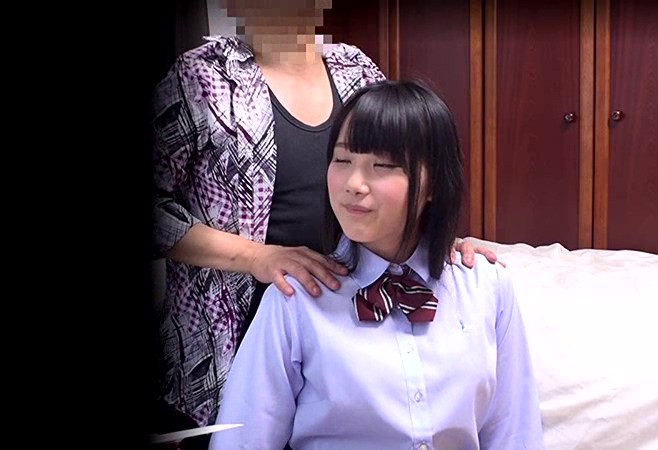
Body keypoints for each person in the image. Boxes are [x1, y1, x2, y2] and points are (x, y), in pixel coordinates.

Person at [150, 0, 498, 435]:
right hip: (228, 347)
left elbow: (401, 175)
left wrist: (437, 237)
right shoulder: (202, 76)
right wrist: (256, 257)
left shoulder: (356, 70)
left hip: (343, 344)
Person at [209, 80, 544, 449]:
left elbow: (515, 434)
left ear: (433, 183)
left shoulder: (486, 287)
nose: (354, 183)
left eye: (382, 165)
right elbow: (240, 442)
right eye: (342, 160)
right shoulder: (295, 300)